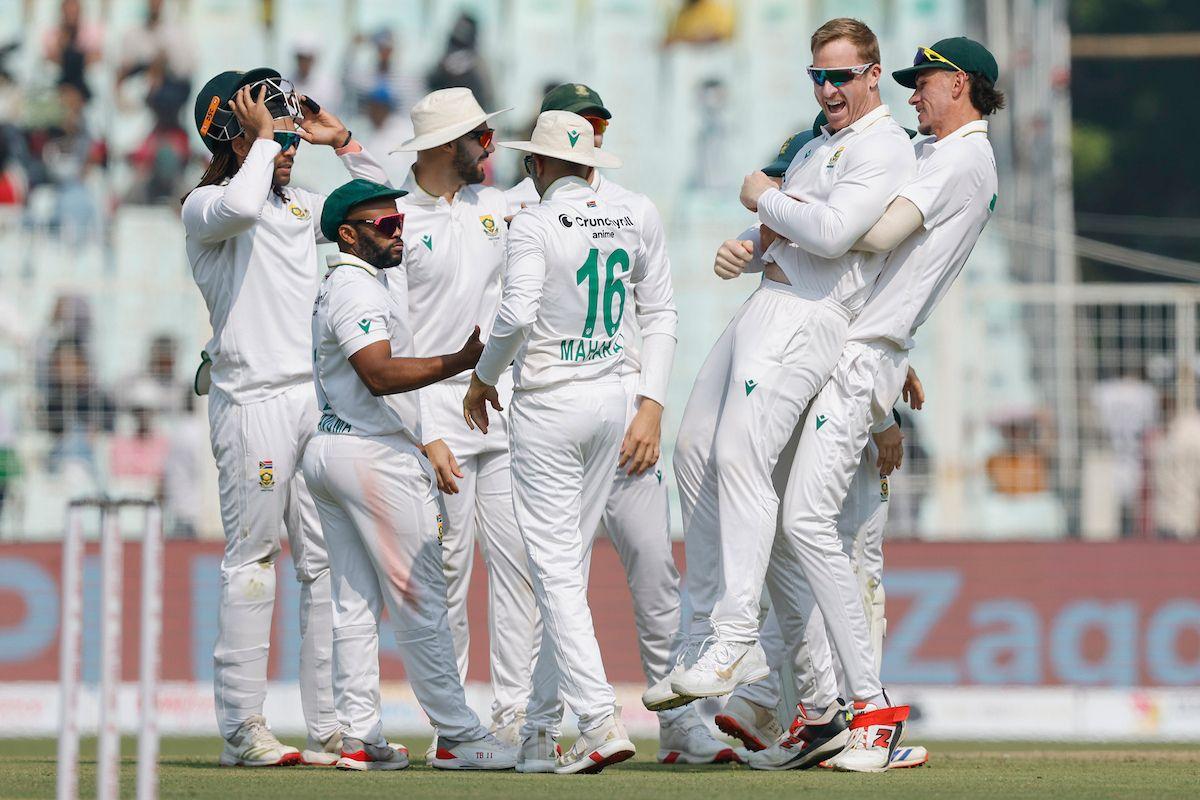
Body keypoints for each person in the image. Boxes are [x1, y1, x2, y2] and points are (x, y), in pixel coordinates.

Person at [719, 35, 1005, 772]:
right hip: (860, 350)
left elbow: (873, 234)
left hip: (862, 354)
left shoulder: (960, 157)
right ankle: (815, 712)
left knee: (813, 524)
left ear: (964, 86)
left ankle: (868, 713)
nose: (915, 94)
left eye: (928, 82)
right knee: (804, 523)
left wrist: (773, 205)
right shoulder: (939, 151)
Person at [659, 17, 916, 705]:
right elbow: (789, 223)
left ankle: (738, 639)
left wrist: (760, 197)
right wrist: (750, 242)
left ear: (871, 74)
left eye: (841, 76)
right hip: (768, 302)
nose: (829, 89)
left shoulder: (885, 147)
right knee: (692, 450)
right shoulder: (817, 146)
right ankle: (705, 634)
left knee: (744, 457)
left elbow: (833, 235)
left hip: (812, 313)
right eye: (819, 76)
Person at [505, 83, 732, 767]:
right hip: (570, 411)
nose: (594, 133)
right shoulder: (520, 215)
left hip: (619, 416)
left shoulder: (633, 208)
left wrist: (651, 404)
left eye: (599, 120)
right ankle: (546, 725)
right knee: (558, 577)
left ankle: (681, 725)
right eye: (584, 123)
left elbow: (659, 313)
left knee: (653, 572)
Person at [182, 67, 391, 767]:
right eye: (272, 122)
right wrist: (263, 139)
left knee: (324, 564)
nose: (290, 138)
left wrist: (348, 144)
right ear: (233, 133)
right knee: (253, 561)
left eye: (289, 125)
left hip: (314, 401)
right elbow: (241, 207)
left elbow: (389, 220)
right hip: (253, 402)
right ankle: (243, 729)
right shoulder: (206, 206)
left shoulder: (301, 204)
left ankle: (328, 726)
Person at [464, 110, 674, 773]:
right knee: (566, 571)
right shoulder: (628, 216)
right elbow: (659, 310)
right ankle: (539, 727)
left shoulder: (534, 221)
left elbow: (517, 313)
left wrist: (481, 380)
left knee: (554, 570)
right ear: (589, 165)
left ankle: (598, 719)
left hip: (550, 403)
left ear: (537, 166)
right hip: (614, 398)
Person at [302, 178, 517, 771]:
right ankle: (457, 734)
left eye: (401, 223)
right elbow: (378, 373)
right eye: (385, 226)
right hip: (371, 456)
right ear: (348, 235)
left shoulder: (353, 281)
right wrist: (460, 361)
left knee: (353, 600)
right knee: (422, 596)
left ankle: (356, 734)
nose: (399, 234)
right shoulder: (354, 289)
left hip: (333, 449)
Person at [388, 87, 532, 754]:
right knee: (447, 577)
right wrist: (423, 432)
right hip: (436, 424)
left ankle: (514, 714)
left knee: (520, 569)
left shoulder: (497, 207)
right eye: (482, 136)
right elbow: (392, 341)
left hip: (501, 421)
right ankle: (454, 728)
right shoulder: (395, 221)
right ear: (449, 145)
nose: (492, 146)